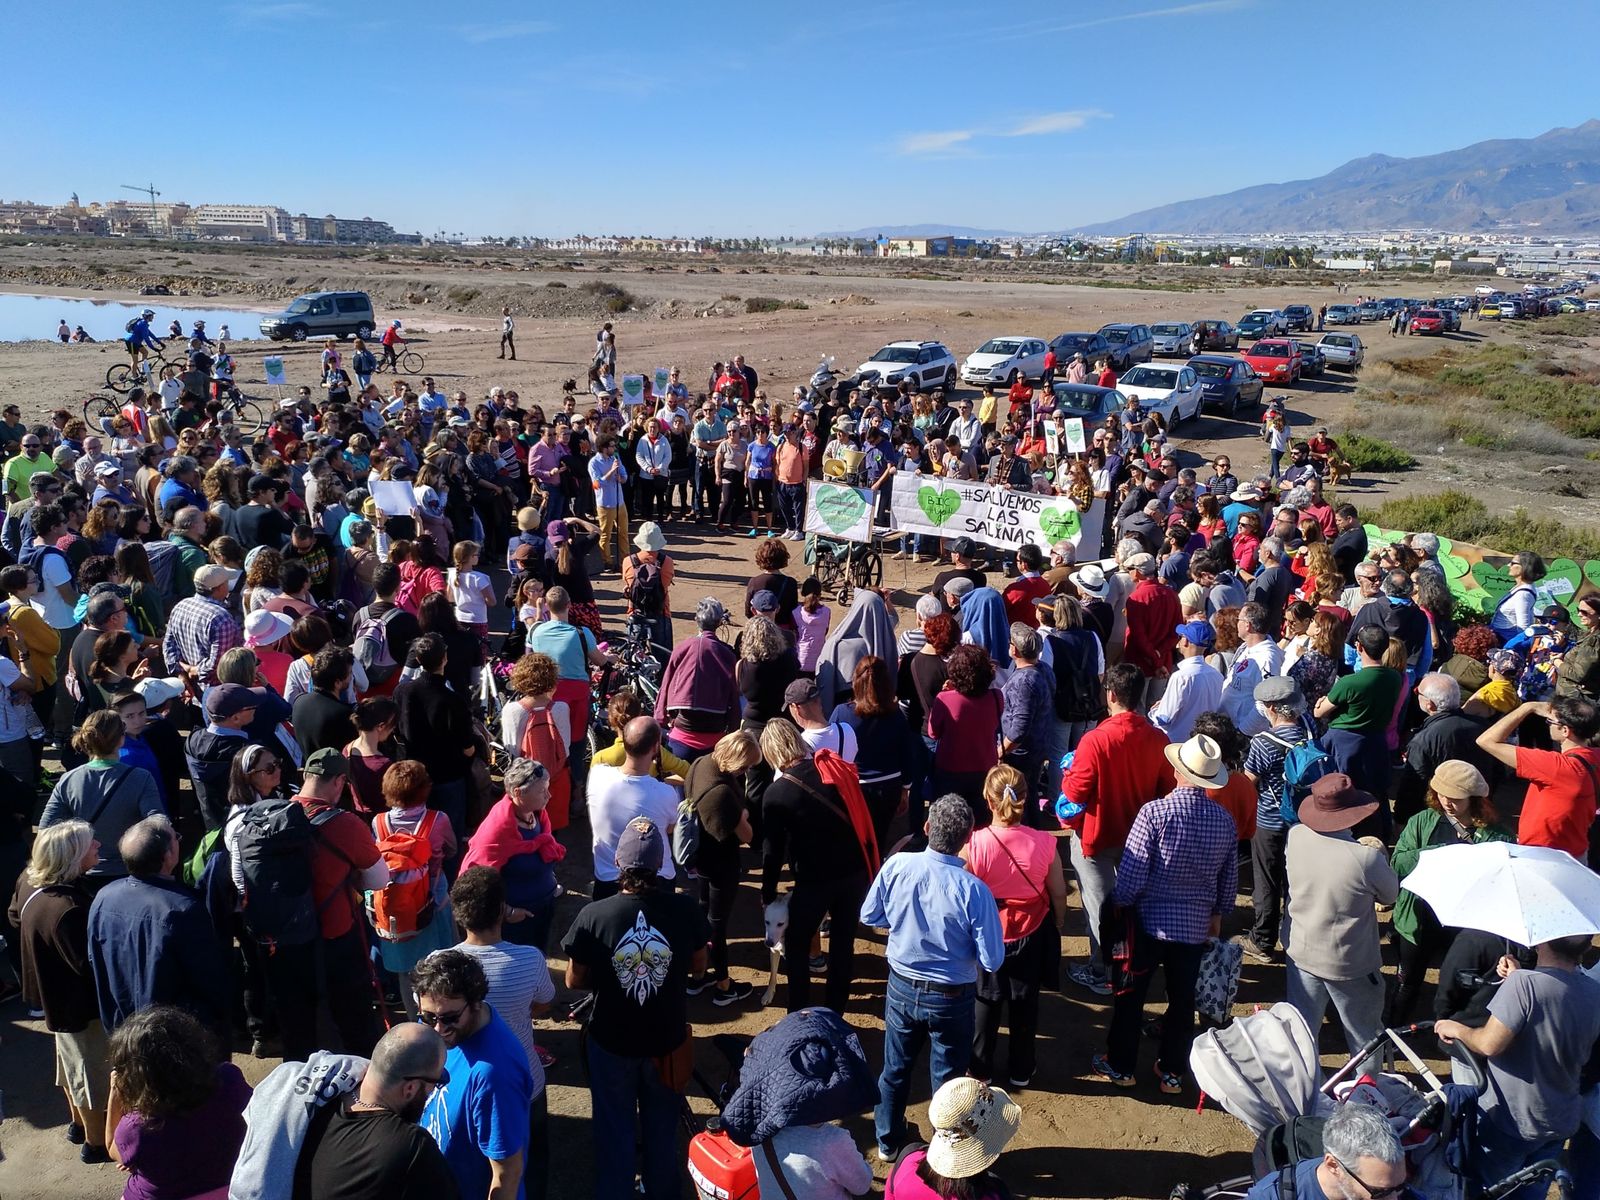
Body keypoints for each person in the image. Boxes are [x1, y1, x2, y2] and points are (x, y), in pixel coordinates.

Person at [562, 818, 710, 1200]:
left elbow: (574, 981)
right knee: (663, 1130)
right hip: (668, 1042)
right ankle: (662, 1192)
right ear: (662, 864)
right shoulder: (686, 908)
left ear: (618, 863)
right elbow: (699, 965)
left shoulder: (595, 915)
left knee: (615, 1128)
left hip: (611, 1042)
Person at [1093, 734, 1238, 1093]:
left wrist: (1118, 904)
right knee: (1182, 1000)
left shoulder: (1154, 813)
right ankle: (1173, 1071)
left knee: (1130, 996)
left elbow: (1131, 875)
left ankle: (1122, 1065)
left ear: (1177, 769)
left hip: (1146, 923)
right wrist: (1218, 912)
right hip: (1193, 927)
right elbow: (1229, 877)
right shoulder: (1224, 821)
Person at [863, 795, 1004, 1161]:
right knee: (948, 1080)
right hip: (952, 996)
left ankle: (887, 1141)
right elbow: (991, 959)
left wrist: (902, 926)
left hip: (901, 986)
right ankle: (945, 1152)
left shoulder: (897, 866)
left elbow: (870, 915)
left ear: (927, 828)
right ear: (968, 838)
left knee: (894, 1068)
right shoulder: (974, 891)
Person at [1438, 931, 1600, 1188]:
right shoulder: (1594, 990)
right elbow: (1558, 1002)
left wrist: (1456, 1028)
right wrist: (1518, 977)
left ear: (1541, 941)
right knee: (1531, 1191)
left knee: (1489, 1189)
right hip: (1560, 1119)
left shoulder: (1524, 985)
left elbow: (1488, 1044)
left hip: (1513, 1119)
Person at [1059, 663, 1175, 995]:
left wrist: (1068, 774)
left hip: (1096, 836)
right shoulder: (1158, 739)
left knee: (1098, 905)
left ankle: (1101, 970)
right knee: (1133, 902)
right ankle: (1130, 962)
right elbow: (1166, 789)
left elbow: (1076, 793)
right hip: (1138, 838)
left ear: (1110, 694)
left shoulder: (1095, 740)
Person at [450, 868, 556, 1200]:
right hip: (526, 1080)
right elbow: (544, 1003)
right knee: (532, 1161)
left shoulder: (439, 964)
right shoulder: (529, 959)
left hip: (462, 1085)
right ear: (501, 910)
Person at [8, 820, 110, 1163]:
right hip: (79, 1007)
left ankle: (78, 1125)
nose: (97, 844)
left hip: (51, 999)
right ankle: (95, 1144)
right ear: (72, 856)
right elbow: (88, 966)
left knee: (69, 1066)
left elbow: (13, 916)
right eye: (89, 843)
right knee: (91, 1073)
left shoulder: (28, 882)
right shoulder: (67, 910)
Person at [1284, 773, 1399, 1067]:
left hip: (1302, 951)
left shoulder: (1296, 835)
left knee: (1301, 1033)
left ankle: (1303, 1093)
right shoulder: (1365, 858)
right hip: (1349, 962)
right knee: (1364, 1038)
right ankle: (1364, 1098)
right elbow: (1390, 895)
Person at [760, 719, 875, 1013]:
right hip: (853, 872)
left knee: (797, 946)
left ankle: (799, 1011)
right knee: (842, 943)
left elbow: (772, 851)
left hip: (814, 880)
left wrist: (768, 891)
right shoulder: (832, 770)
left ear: (771, 753)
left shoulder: (777, 793)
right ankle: (835, 1011)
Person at [963, 765, 1066, 1089]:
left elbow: (965, 894)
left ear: (988, 800)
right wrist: (1058, 921)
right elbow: (1059, 892)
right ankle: (1021, 1068)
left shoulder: (974, 844)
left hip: (988, 935)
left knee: (985, 1001)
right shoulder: (1045, 842)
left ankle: (980, 1070)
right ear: (1025, 798)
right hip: (1031, 932)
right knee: (1025, 1003)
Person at [1389, 760, 1511, 1022]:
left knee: (1459, 983)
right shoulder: (1423, 821)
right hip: (1418, 920)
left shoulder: (1497, 836)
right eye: (1441, 794)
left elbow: (1502, 883)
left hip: (1465, 926)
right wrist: (1441, 854)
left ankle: (1452, 1034)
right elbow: (1398, 863)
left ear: (1474, 798)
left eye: (1455, 797)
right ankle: (1392, 1036)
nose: (1446, 802)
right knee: (1407, 983)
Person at [87, 815, 230, 1033]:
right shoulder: (183, 909)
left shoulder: (104, 898)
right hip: (173, 1036)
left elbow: (95, 960)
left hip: (123, 1030)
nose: (179, 841)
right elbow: (209, 981)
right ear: (168, 856)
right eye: (176, 838)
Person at [416, 950, 534, 1200]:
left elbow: (507, 1174)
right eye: (428, 1017)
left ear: (476, 1002)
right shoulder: (458, 1031)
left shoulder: (495, 1074)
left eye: (450, 1018)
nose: (438, 1029)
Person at [297, 1023, 462, 1200]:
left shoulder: (318, 1104)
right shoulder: (413, 1147)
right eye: (437, 1082)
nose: (432, 1091)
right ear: (410, 1088)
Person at [103, 1004, 251, 1197]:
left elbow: (112, 1148)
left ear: (136, 1075)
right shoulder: (229, 1079)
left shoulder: (136, 1128)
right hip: (231, 1188)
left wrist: (115, 1091)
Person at [39, 709, 164, 886]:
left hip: (82, 872)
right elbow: (158, 821)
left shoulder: (68, 779)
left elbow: (45, 830)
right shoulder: (141, 777)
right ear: (121, 739)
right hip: (129, 872)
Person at [684, 730, 759, 1005]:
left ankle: (697, 976)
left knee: (702, 913)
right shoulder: (724, 793)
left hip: (700, 856)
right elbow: (747, 835)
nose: (747, 770)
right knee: (718, 924)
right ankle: (724, 986)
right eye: (747, 765)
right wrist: (743, 814)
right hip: (722, 863)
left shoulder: (701, 763)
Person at [395, 633, 475, 861]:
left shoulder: (403, 692)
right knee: (449, 838)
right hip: (449, 776)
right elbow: (467, 746)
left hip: (413, 775)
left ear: (418, 660)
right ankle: (447, 885)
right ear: (445, 659)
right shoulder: (453, 700)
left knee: (415, 835)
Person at [587, 716, 680, 900]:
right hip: (657, 879)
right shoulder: (667, 793)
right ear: (656, 748)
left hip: (608, 880)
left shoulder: (597, 775)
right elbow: (669, 829)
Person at [1242, 1100, 1407, 1200]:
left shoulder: (1388, 1184)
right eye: (1379, 1193)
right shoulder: (1271, 1196)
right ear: (1333, 1165)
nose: (1394, 1198)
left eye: (1399, 1187)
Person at [1316, 624, 1403, 804]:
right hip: (1376, 741)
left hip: (1345, 744)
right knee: (1373, 792)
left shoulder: (1350, 682)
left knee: (1342, 792)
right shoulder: (1395, 678)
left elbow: (1319, 712)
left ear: (1359, 647)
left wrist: (1321, 702)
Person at [654, 597, 738, 760]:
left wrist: (659, 721)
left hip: (681, 740)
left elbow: (666, 685)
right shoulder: (727, 654)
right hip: (716, 743)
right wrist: (733, 732)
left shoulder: (682, 648)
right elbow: (734, 697)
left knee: (678, 784)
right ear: (720, 623)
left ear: (696, 620)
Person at [1149, 620, 1224, 743]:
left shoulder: (1181, 677)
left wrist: (1155, 710)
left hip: (1176, 745)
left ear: (1185, 641)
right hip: (1202, 745)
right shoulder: (1217, 675)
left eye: (1182, 636)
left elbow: (1163, 719)